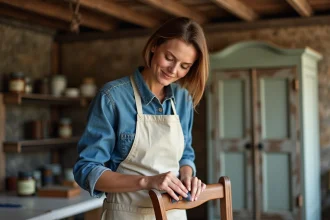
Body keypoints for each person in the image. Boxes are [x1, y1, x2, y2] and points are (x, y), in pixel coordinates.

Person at [73, 17, 209, 220]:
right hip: (126, 214)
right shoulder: (113, 97)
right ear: (154, 46)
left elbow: (185, 154)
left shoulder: (183, 100)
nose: (173, 70)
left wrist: (188, 177)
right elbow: (87, 169)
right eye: (169, 58)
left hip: (174, 214)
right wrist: (147, 182)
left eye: (185, 66)